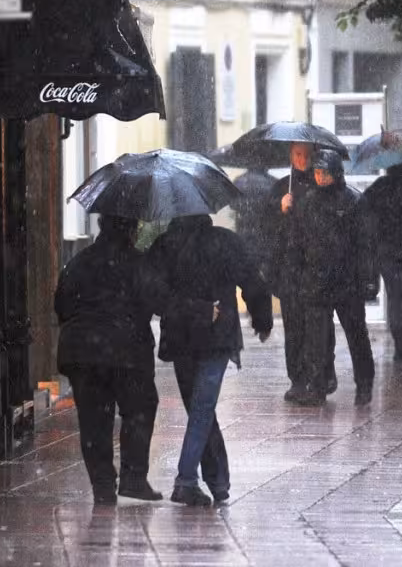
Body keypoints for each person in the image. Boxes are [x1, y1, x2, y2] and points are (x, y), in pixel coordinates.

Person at [54, 215, 206, 504]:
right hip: (126, 350)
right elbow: (163, 302)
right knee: (139, 408)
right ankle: (133, 478)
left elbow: (61, 304)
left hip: (82, 351)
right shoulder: (138, 264)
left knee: (93, 420)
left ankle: (102, 485)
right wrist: (201, 310)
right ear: (132, 229)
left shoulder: (79, 262)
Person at [147, 214, 273, 507]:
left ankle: (218, 481)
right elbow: (253, 282)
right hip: (217, 337)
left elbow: (154, 294)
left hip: (181, 339)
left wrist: (185, 309)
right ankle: (187, 480)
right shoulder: (225, 241)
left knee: (200, 409)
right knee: (202, 410)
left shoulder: (164, 246)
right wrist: (262, 319)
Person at [293, 149, 378, 406]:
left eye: (325, 173)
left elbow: (366, 244)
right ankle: (317, 387)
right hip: (316, 279)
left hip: (347, 281)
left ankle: (364, 385)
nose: (320, 178)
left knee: (356, 335)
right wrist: (298, 273)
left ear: (336, 173)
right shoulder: (308, 202)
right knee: (317, 340)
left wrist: (368, 279)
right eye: (317, 173)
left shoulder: (353, 201)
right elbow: (297, 242)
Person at [265, 142, 336, 400]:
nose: (303, 159)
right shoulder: (282, 188)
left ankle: (322, 373)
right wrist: (280, 209)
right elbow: (269, 230)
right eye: (298, 154)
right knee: (293, 326)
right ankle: (297, 378)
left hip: (316, 269)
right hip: (290, 270)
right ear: (290, 156)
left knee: (319, 325)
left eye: (307, 155)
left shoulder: (323, 184)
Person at [358, 158, 402, 361]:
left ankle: (400, 342)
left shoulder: (381, 187)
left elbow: (363, 207)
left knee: (395, 295)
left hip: (388, 251)